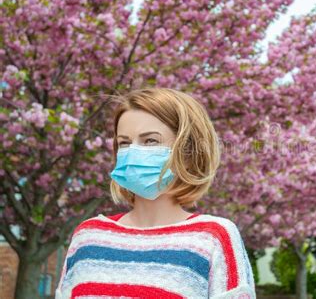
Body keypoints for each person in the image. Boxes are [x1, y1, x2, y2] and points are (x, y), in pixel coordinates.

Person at [55, 88, 256, 298]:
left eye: (150, 141)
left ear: (187, 151)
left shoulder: (213, 237)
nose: (132, 152)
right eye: (124, 143)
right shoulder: (87, 236)